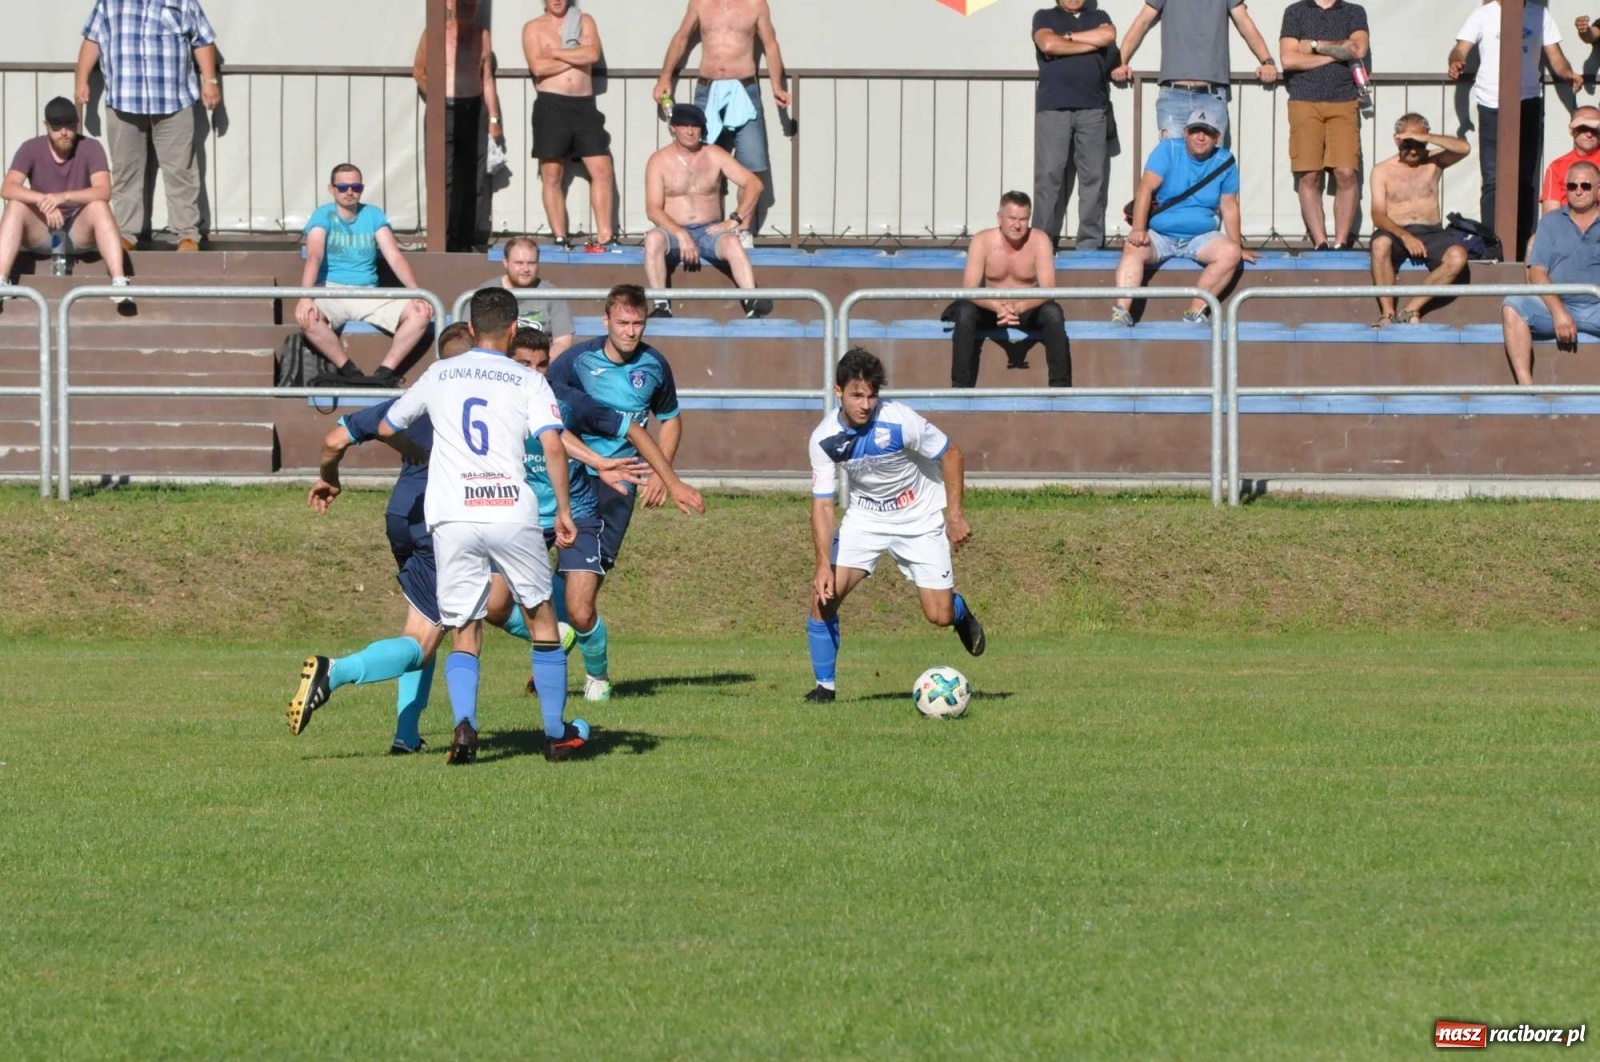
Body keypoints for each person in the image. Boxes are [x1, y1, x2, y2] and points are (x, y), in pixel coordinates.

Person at [286, 323, 562, 755]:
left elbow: (333, 438)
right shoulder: (497, 397)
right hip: (451, 519)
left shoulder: (422, 393)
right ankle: (334, 671)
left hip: (402, 516)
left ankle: (406, 734)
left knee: (429, 618)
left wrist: (330, 480)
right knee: (423, 640)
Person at [381, 287, 580, 765]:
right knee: (540, 615)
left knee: (464, 625)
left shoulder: (440, 372)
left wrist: (422, 451)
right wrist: (566, 509)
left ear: (470, 328)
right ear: (513, 330)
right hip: (509, 508)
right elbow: (553, 446)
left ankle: (465, 728)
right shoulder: (527, 380)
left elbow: (387, 425)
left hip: (452, 513)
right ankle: (556, 733)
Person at [510, 326, 704, 700]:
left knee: (580, 609)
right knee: (499, 603)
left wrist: (670, 481)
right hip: (523, 514)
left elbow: (631, 428)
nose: (534, 375)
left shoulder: (564, 400)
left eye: (541, 365)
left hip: (579, 509)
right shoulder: (495, 402)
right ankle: (554, 645)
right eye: (523, 365)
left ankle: (597, 679)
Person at [804, 347, 986, 704]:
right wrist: (822, 564)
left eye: (872, 395)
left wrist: (955, 515)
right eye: (857, 395)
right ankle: (825, 687)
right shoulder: (824, 439)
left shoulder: (900, 420)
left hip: (918, 516)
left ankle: (958, 612)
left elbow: (952, 454)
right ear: (838, 391)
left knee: (939, 615)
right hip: (865, 519)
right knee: (822, 597)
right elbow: (823, 506)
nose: (866, 404)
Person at [75, 0, 219, 252]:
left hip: (174, 100)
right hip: (124, 100)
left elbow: (203, 40)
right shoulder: (110, 4)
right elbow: (92, 40)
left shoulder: (182, 2)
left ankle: (186, 235)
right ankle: (126, 234)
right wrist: (81, 79)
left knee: (181, 172)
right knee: (126, 171)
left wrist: (210, 80)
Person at [1449, 1, 1584, 259]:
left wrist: (1568, 75)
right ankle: (1491, 244)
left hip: (1529, 102)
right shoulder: (1483, 13)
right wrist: (1456, 62)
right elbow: (1460, 48)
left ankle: (1523, 246)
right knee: (1492, 179)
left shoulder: (1539, 13)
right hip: (1491, 104)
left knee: (1527, 180)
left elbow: (1555, 56)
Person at [653, 0, 790, 235]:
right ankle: (706, 228)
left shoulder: (755, 4)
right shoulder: (700, 3)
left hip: (744, 88)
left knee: (752, 163)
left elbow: (771, 45)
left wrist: (777, 85)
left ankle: (743, 230)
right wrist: (665, 78)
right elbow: (681, 38)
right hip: (708, 89)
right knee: (701, 161)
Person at [296, 164, 436, 386]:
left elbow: (395, 257)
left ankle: (385, 372)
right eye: (342, 186)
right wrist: (305, 297)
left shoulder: (373, 214)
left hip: (369, 292)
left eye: (355, 186)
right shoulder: (322, 215)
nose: (349, 191)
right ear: (331, 189)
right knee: (307, 318)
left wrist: (415, 291)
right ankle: (349, 371)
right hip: (331, 289)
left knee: (421, 312)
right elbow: (314, 255)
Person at [1111, 108, 1253, 325]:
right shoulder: (1167, 149)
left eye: (1208, 132)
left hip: (1201, 236)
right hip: (1160, 234)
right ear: (1185, 132)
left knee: (1231, 252)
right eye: (1196, 130)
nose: (1201, 136)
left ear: (1217, 137)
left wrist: (1238, 245)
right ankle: (1121, 311)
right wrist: (1138, 228)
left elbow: (1229, 206)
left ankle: (1194, 312)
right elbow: (1145, 189)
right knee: (1133, 247)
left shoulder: (1225, 161)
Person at [642, 104, 770, 320]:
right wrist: (681, 234)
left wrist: (734, 220)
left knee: (732, 242)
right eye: (684, 126)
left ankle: (752, 302)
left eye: (696, 126)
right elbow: (653, 209)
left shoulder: (714, 154)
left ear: (703, 129)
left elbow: (753, 184)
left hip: (709, 230)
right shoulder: (659, 160)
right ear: (673, 128)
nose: (690, 131)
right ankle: (661, 304)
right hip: (673, 231)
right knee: (653, 239)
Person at [0, 97, 131, 302]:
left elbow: (104, 191)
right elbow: (7, 188)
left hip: (77, 230)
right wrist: (43, 201)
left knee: (99, 206)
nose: (63, 132)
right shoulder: (30, 148)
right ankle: (1, 280)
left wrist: (63, 197)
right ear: (46, 126)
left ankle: (119, 282)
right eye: (57, 126)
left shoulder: (91, 147)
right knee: (15, 205)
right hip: (42, 229)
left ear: (76, 124)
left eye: (69, 125)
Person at [945, 191, 1071, 389]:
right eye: (1012, 218)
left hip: (1027, 307)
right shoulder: (982, 240)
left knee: (1054, 313)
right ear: (999, 218)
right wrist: (997, 306)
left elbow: (1048, 289)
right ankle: (960, 387)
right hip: (991, 307)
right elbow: (969, 288)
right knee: (964, 312)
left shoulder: (1039, 240)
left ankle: (1061, 387)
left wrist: (1020, 307)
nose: (1018, 225)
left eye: (1023, 219)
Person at [1111, 0, 1278, 141]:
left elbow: (1244, 22)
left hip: (1211, 96)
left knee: (1210, 170)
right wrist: (1120, 61)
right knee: (1173, 165)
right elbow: (1142, 22)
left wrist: (1267, 61)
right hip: (1173, 95)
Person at [523, 0, 616, 249]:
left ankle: (606, 234)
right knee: (552, 173)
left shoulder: (584, 20)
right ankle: (560, 236)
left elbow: (592, 55)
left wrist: (554, 52)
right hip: (551, 105)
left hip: (584, 105)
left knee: (602, 170)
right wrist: (576, 56)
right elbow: (538, 67)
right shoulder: (533, 28)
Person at [413, 0, 504, 253]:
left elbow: (486, 79)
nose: (466, 6)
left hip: (474, 109)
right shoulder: (434, 32)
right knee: (443, 177)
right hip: (443, 111)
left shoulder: (481, 35)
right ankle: (441, 240)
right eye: (461, 1)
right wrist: (438, 98)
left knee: (473, 179)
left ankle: (466, 240)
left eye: (471, 2)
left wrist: (494, 118)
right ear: (450, 3)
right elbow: (420, 71)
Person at [1278, 0, 1369, 250]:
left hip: (1344, 100)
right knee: (1308, 173)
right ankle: (1320, 242)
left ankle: (1341, 243)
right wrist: (1336, 54)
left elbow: (1358, 49)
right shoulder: (1295, 11)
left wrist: (1316, 46)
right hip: (1304, 100)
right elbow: (1289, 59)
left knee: (1346, 172)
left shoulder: (1353, 11)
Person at [1501, 160, 1600, 386]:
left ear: (1598, 189)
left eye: (1585, 186)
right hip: (1558, 304)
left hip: (1597, 306)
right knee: (1513, 306)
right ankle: (1526, 390)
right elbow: (1537, 272)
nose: (1578, 191)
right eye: (1572, 186)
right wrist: (1559, 312)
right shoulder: (1550, 222)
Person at [1368, 114, 1472, 326]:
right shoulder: (1382, 171)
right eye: (1408, 144)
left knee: (1458, 256)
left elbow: (1464, 148)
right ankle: (1387, 313)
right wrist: (1405, 237)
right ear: (1397, 141)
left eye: (1418, 144)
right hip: (1396, 231)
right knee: (1380, 244)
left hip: (1431, 232)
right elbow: (1378, 215)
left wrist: (1426, 136)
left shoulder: (1434, 162)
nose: (1414, 151)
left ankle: (1410, 309)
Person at [1031, 0, 1117, 251]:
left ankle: (1089, 245)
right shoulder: (1044, 16)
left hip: (1093, 107)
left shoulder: (1099, 14)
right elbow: (1047, 43)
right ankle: (1041, 243)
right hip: (1053, 107)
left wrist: (1066, 40)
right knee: (1048, 176)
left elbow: (1108, 36)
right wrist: (1090, 43)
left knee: (1093, 178)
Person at [491, 235, 574, 357]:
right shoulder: (487, 293)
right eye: (519, 263)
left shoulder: (552, 294)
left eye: (531, 263)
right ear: (505, 263)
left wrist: (540, 368)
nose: (526, 269)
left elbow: (563, 343)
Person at [1540, 106, 1600, 214]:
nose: (1589, 134)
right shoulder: (1556, 167)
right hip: (1568, 227)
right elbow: (1550, 217)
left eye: (1595, 130)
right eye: (1583, 128)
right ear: (1571, 130)